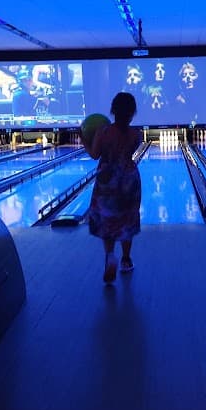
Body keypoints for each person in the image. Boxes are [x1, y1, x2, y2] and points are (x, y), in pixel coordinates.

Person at [83, 92, 141, 284]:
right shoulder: (136, 134)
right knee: (128, 218)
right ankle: (126, 259)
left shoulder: (103, 132)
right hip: (129, 179)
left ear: (112, 110)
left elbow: (94, 154)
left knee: (107, 217)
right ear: (132, 112)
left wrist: (83, 138)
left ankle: (110, 255)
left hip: (107, 179)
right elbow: (128, 152)